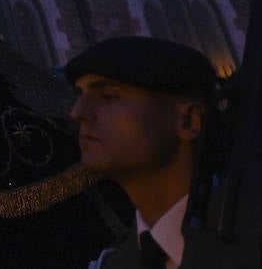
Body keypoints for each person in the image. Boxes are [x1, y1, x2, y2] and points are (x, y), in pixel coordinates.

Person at [65, 36, 218, 269]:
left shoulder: (247, 230)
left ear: (188, 120)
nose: (78, 112)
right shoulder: (111, 263)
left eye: (109, 96)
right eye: (80, 95)